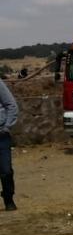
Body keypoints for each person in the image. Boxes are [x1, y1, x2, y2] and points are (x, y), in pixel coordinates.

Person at [0, 78, 18, 211]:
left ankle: (8, 198)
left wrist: (7, 126)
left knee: (6, 170)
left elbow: (11, 104)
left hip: (1, 135)